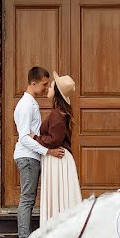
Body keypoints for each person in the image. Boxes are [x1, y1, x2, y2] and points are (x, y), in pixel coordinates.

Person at [14, 66, 65, 238]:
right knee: (27, 199)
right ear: (33, 83)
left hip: (31, 156)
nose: (45, 88)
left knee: (29, 198)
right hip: (28, 157)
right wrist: (48, 151)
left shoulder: (31, 103)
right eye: (44, 85)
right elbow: (24, 138)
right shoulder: (26, 105)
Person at [32, 72, 82, 225]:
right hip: (59, 160)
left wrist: (35, 138)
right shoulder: (62, 112)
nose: (48, 89)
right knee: (61, 196)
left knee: (57, 195)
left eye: (52, 87)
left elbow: (55, 140)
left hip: (57, 159)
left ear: (57, 93)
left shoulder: (56, 114)